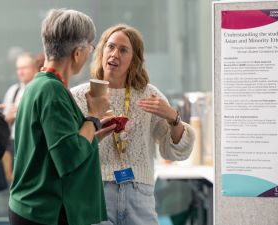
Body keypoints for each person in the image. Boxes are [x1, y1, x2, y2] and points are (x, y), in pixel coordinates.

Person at [71, 24, 195, 225]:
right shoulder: (78, 96)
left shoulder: (148, 95)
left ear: (134, 59)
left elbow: (176, 152)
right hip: (95, 192)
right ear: (101, 51)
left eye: (123, 50)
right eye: (110, 47)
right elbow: (69, 151)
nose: (114, 54)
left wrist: (174, 118)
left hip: (139, 195)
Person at [9, 9, 116, 225]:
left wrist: (92, 132)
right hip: (45, 212)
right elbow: (67, 158)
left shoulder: (38, 85)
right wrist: (93, 116)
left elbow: (52, 147)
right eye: (90, 47)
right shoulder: (52, 91)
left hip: (30, 207)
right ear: (77, 53)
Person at [2, 52, 37, 183]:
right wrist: (9, 117)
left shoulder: (40, 90)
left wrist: (23, 110)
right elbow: (5, 120)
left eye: (24, 68)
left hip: (33, 144)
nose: (20, 72)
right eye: (18, 68)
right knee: (12, 183)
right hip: (13, 144)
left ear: (34, 69)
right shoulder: (13, 90)